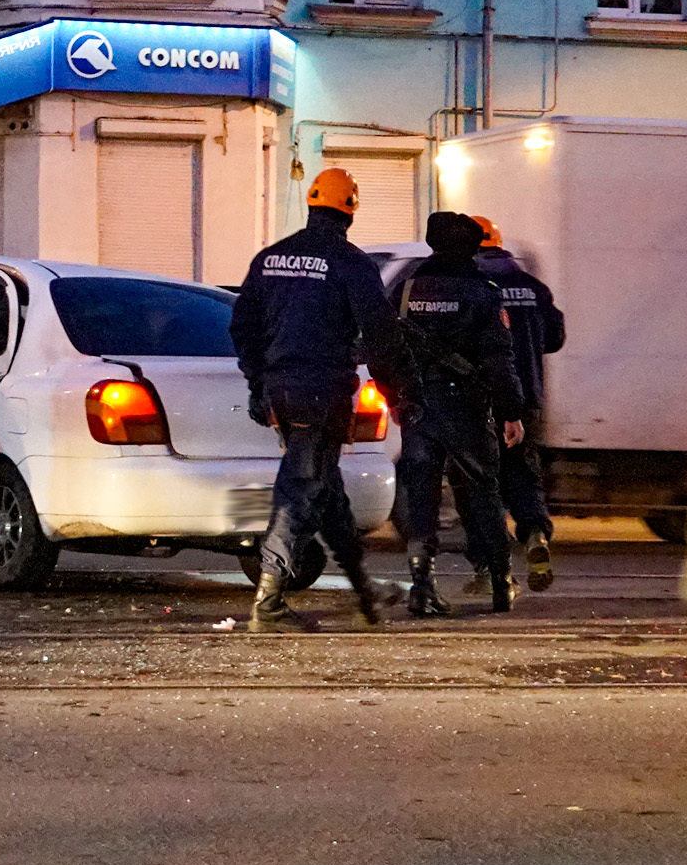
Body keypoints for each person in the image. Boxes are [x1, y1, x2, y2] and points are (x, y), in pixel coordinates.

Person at [229, 168, 416, 632]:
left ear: (312, 204)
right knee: (298, 491)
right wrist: (397, 390)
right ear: (350, 209)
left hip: (280, 393)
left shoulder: (271, 257)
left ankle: (364, 590)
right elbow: (381, 335)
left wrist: (258, 384)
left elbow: (243, 327)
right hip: (321, 394)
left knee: (328, 492)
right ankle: (269, 603)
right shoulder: (351, 263)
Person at [394, 213, 526, 616]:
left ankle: (422, 585)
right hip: (466, 407)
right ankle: (501, 581)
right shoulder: (482, 292)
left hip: (417, 406)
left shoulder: (406, 289)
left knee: (422, 497)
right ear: (472, 248)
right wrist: (511, 412)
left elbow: (383, 347)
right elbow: (499, 358)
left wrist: (397, 394)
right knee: (484, 490)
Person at [454, 216, 566, 593]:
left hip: (481, 402)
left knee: (479, 486)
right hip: (527, 401)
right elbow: (554, 338)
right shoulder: (534, 287)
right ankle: (535, 533)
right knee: (523, 475)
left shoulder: (472, 286)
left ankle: (488, 569)